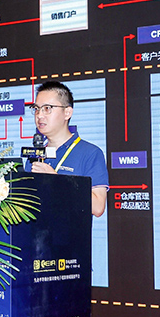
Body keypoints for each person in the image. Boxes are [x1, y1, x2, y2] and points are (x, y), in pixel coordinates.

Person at [26, 81, 109, 217]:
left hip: (70, 230)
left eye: (47, 108)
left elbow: (98, 207)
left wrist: (56, 180)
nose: (39, 115)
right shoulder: (35, 156)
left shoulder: (90, 153)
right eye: (36, 108)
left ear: (67, 112)